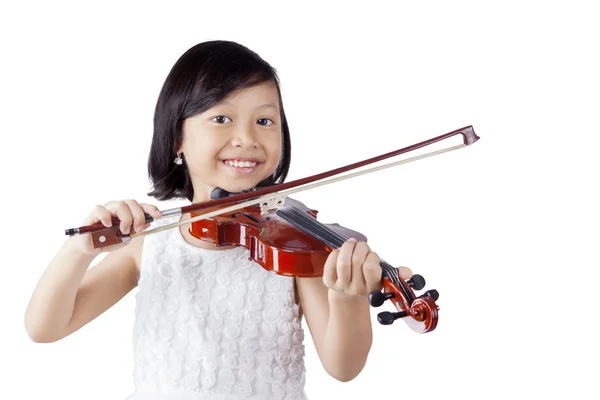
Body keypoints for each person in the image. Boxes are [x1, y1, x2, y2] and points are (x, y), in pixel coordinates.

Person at [24, 40, 413, 400]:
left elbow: (343, 367)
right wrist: (79, 249)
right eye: (221, 118)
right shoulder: (152, 240)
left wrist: (347, 298)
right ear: (177, 137)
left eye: (264, 121)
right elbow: (46, 328)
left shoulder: (294, 242)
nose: (246, 138)